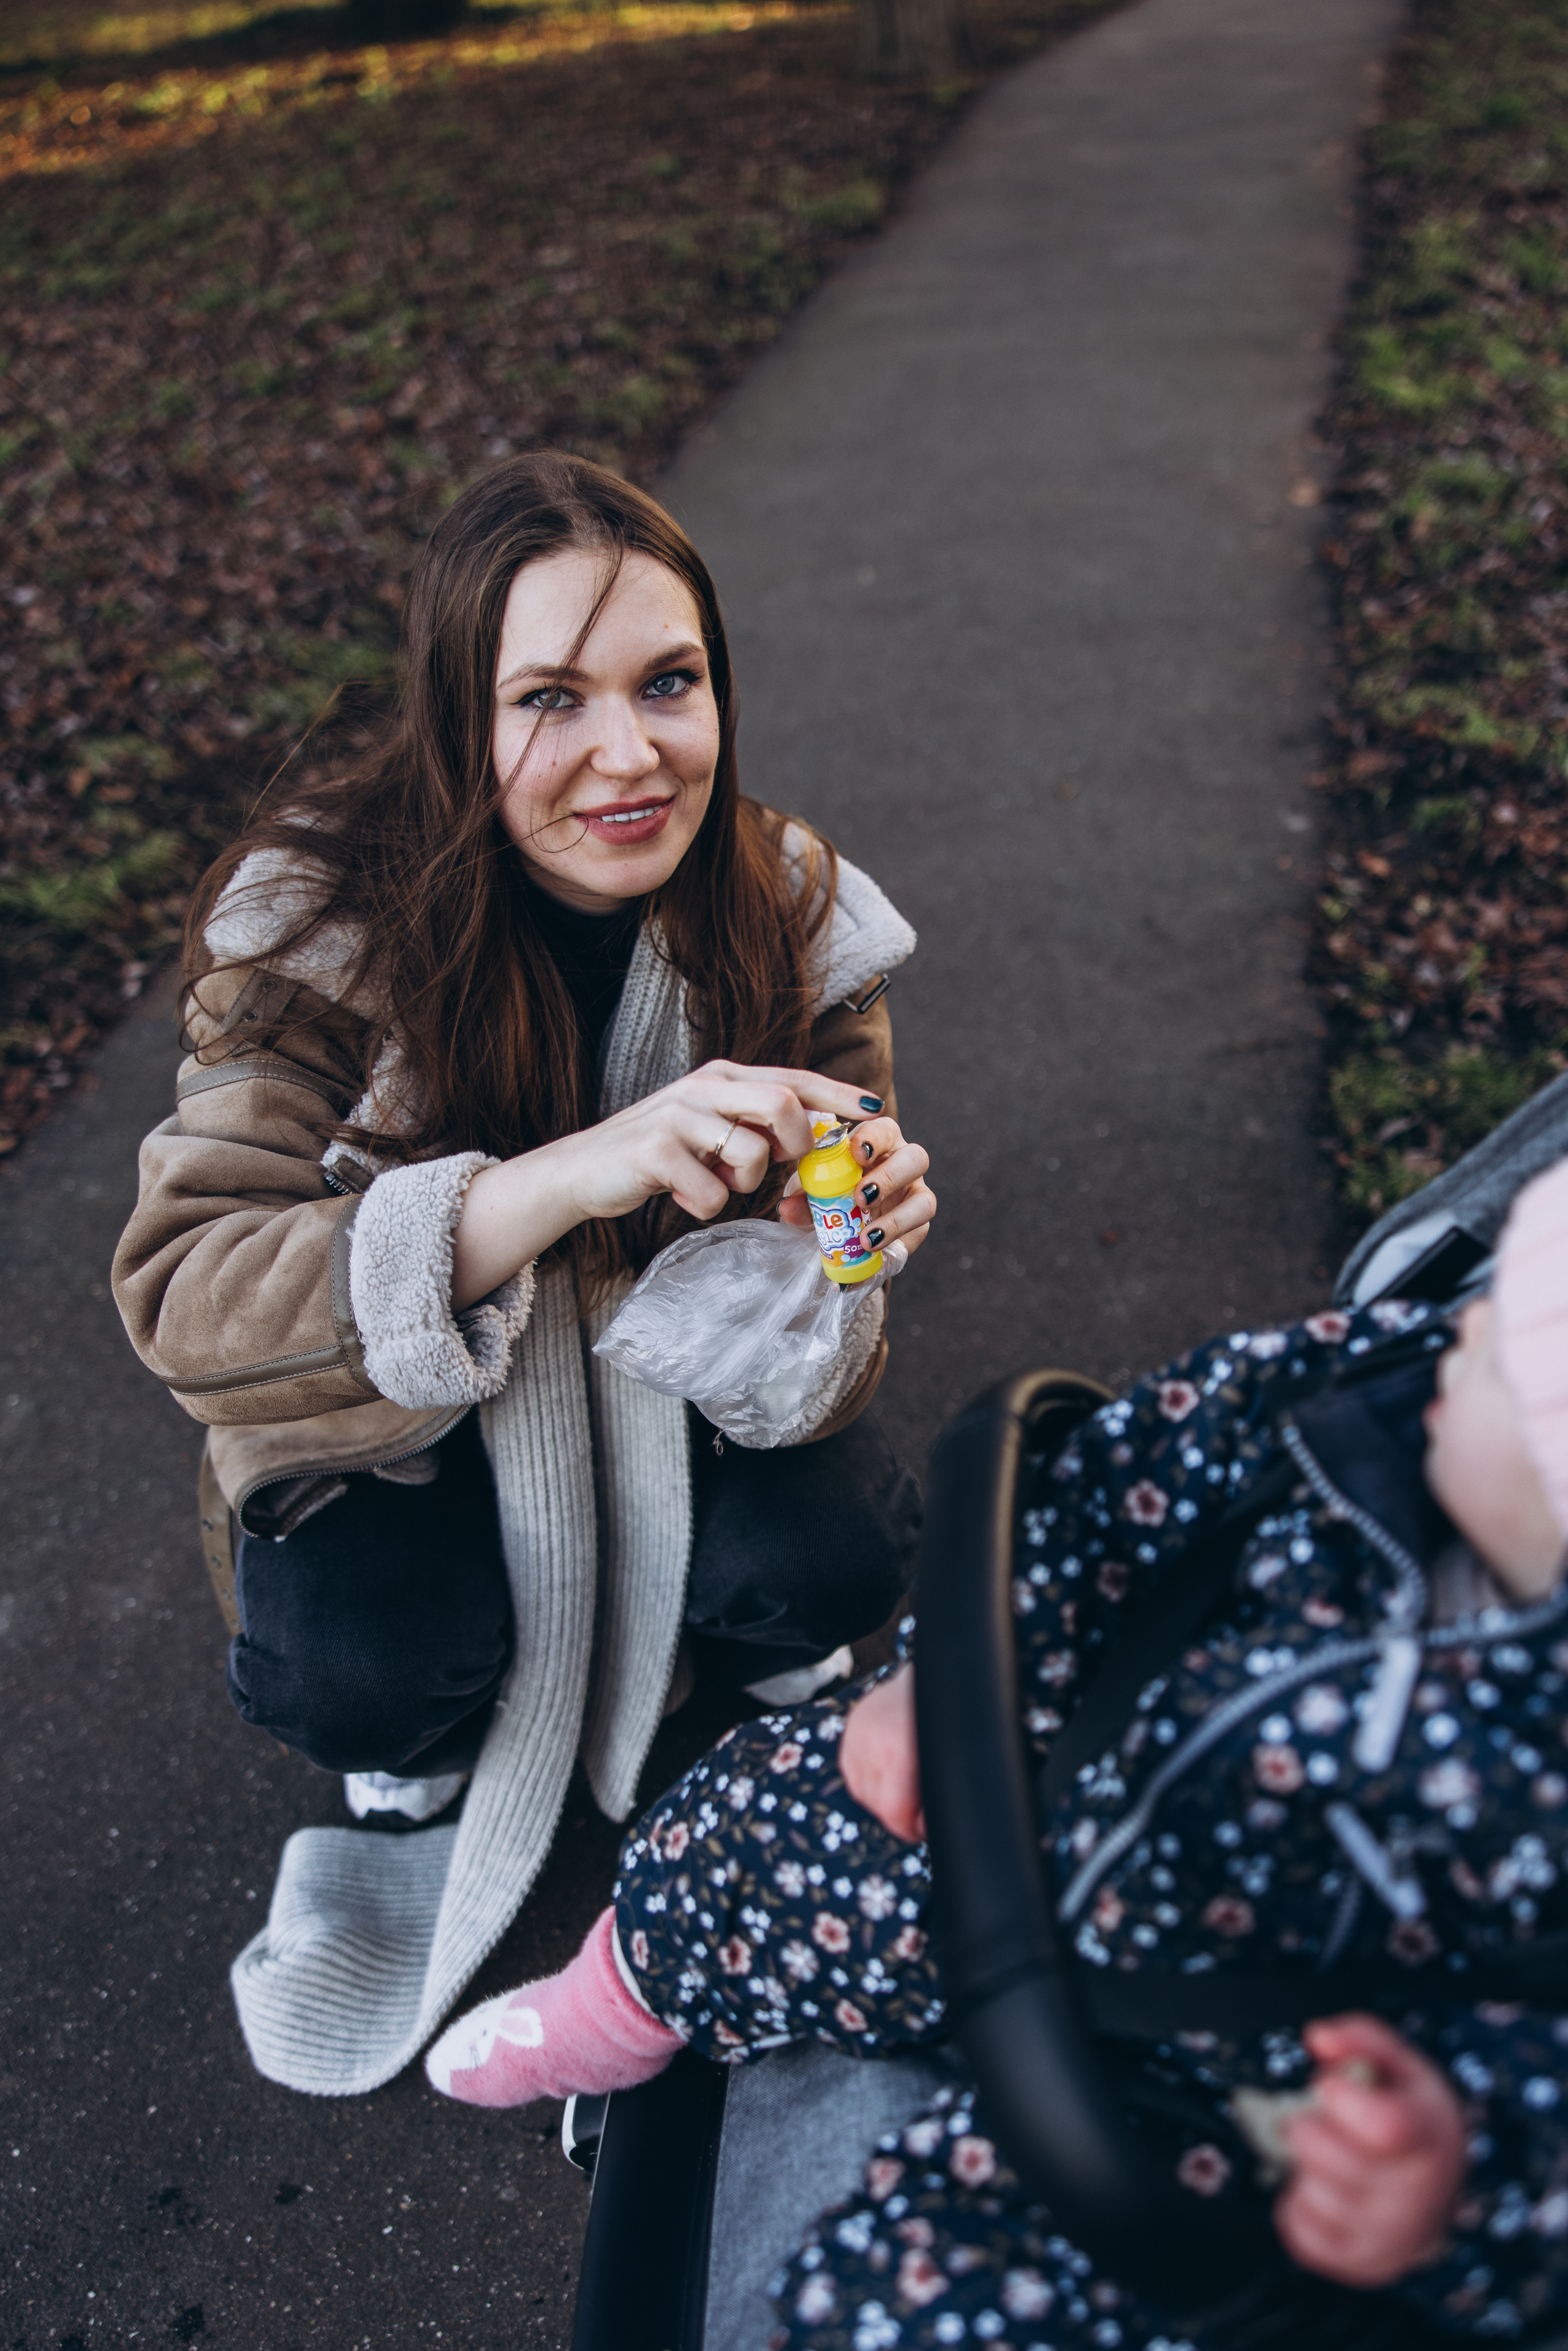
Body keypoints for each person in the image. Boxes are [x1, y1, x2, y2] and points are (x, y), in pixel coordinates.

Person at [423, 1158, 1568, 2349]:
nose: (1463, 1325)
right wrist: (960, 1657)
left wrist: (1462, 2175)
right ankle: (614, 2007)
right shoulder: (1360, 1396)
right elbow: (1107, 1483)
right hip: (1051, 1794)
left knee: (928, 2302)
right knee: (738, 1822)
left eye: (1498, 1361)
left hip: (1247, 2099)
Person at [110, 452, 937, 2098]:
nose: (630, 755)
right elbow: (188, 1297)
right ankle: (427, 1733)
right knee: (361, 1667)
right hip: (395, 1435)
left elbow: (834, 1345)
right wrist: (568, 1176)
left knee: (844, 1553)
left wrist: (818, 1270)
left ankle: (725, 1615)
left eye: (671, 682)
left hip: (660, 1393)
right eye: (551, 697)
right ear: (453, 722)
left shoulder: (789, 914)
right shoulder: (314, 938)